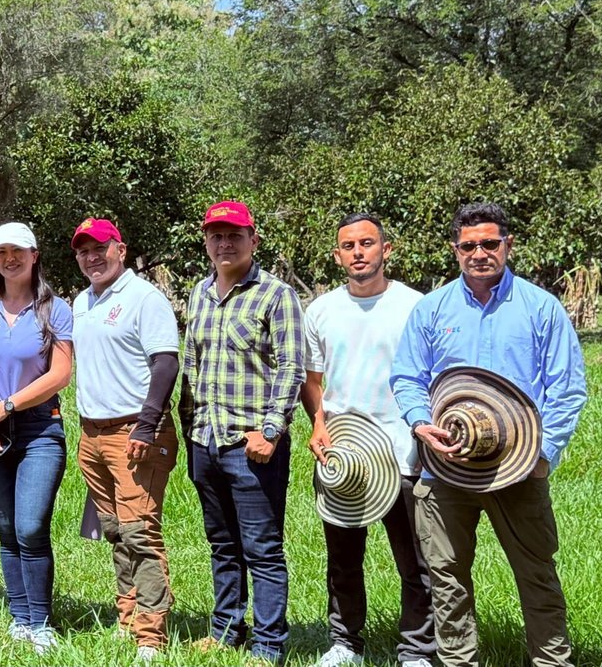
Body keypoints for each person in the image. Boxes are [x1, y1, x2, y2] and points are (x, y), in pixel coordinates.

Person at [391, 202, 587, 667]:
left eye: (489, 243)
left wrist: (543, 454)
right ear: (455, 250)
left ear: (507, 245)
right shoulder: (432, 309)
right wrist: (420, 422)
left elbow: (567, 388)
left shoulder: (541, 308)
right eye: (469, 246)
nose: (479, 253)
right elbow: (407, 377)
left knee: (536, 574)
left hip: (518, 467)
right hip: (446, 465)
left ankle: (552, 662)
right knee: (446, 577)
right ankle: (458, 662)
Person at [302, 214, 435, 667]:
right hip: (345, 455)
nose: (358, 252)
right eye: (348, 246)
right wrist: (318, 423)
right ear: (337, 255)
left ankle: (416, 650)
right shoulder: (321, 310)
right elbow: (312, 380)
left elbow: (433, 378)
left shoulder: (415, 306)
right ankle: (345, 643)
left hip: (404, 451)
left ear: (386, 250)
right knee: (343, 559)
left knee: (415, 562)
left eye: (367, 243)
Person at [179, 200, 305, 663]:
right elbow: (191, 365)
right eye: (216, 235)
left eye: (234, 235)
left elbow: (291, 367)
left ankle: (269, 644)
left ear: (253, 240)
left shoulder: (276, 295)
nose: (224, 244)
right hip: (206, 440)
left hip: (251, 445)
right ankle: (226, 629)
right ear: (206, 242)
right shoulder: (199, 293)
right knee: (222, 544)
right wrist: (190, 429)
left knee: (262, 549)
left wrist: (271, 431)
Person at [68, 217, 180, 662]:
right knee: (115, 531)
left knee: (140, 532)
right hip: (92, 434)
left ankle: (151, 635)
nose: (91, 257)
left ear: (121, 249)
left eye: (100, 248)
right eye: (83, 251)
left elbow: (166, 363)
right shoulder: (82, 301)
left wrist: (148, 425)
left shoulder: (143, 298)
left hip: (135, 432)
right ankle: (128, 617)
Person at [0, 222, 73, 654]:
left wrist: (6, 407)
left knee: (30, 526)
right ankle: (19, 617)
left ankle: (41, 622)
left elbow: (60, 374)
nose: (10, 259)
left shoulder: (54, 309)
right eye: (2, 252)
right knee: (7, 528)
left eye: (18, 251)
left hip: (38, 427)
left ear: (34, 255)